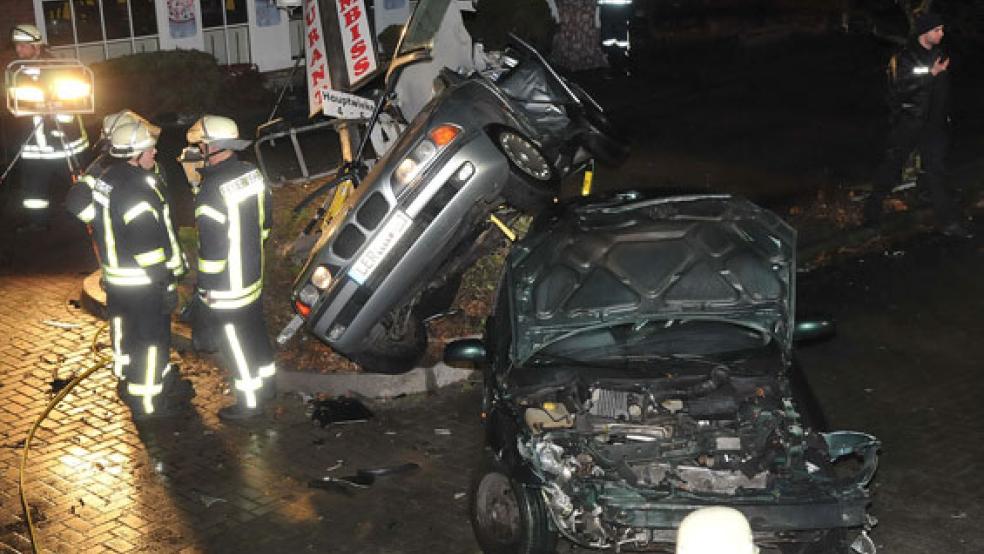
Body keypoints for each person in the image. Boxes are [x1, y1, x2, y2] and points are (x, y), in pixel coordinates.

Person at [65, 120, 187, 420]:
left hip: (119, 281)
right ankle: (148, 403)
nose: (154, 151)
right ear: (134, 154)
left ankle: (132, 382)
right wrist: (166, 283)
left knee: (130, 336)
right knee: (150, 342)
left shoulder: (107, 178)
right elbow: (149, 249)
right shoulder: (137, 191)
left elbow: (97, 215)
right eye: (149, 148)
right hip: (144, 284)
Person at [186, 115, 275, 421]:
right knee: (254, 332)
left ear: (212, 147)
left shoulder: (210, 191)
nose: (198, 150)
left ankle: (249, 404)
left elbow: (212, 250)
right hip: (252, 274)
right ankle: (267, 385)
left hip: (227, 285)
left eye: (201, 145)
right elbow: (265, 222)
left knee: (235, 343)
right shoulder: (251, 173)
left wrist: (205, 287)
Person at [865, 12, 973, 239]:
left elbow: (943, 90)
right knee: (892, 167)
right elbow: (899, 89)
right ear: (925, 32)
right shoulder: (905, 58)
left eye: (942, 29)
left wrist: (945, 118)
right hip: (909, 123)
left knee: (937, 171)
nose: (942, 34)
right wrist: (930, 75)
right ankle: (871, 216)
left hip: (934, 126)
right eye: (937, 30)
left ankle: (949, 223)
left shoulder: (939, 54)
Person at [8, 23, 89, 231]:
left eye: (24, 46)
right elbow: (14, 102)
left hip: (64, 142)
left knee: (78, 184)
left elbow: (77, 100)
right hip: (33, 144)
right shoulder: (17, 72)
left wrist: (58, 106)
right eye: (17, 46)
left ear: (37, 45)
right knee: (33, 191)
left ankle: (88, 217)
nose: (19, 50)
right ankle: (38, 222)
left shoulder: (60, 69)